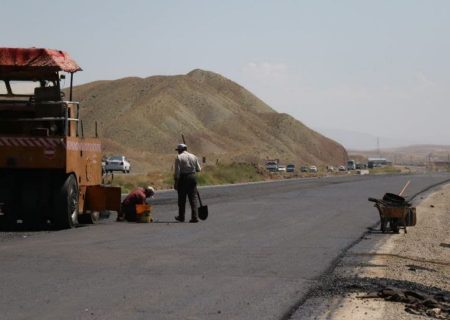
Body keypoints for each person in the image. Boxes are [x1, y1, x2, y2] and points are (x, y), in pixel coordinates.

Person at [173, 143, 201, 223]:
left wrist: (176, 182)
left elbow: (177, 172)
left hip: (183, 178)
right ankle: (195, 217)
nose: (178, 152)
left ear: (180, 150)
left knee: (182, 198)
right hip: (192, 177)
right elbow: (199, 169)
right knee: (193, 198)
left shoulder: (179, 157)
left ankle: (181, 217)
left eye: (178, 150)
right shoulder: (193, 156)